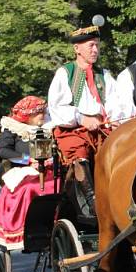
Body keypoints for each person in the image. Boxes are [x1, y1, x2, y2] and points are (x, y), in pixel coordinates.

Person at [47, 23, 120, 213]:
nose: (95, 49)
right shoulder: (66, 73)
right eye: (91, 45)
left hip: (101, 127)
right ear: (77, 49)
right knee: (79, 154)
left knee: (119, 151)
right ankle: (92, 203)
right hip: (72, 129)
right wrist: (81, 118)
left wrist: (113, 118)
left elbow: (116, 103)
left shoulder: (105, 75)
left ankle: (116, 196)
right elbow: (56, 107)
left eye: (97, 45)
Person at [0, 96, 55, 251]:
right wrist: (27, 159)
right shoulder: (13, 126)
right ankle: (25, 230)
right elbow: (3, 150)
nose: (43, 115)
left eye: (43, 111)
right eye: (38, 112)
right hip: (24, 168)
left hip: (49, 167)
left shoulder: (50, 125)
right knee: (30, 188)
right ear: (28, 115)